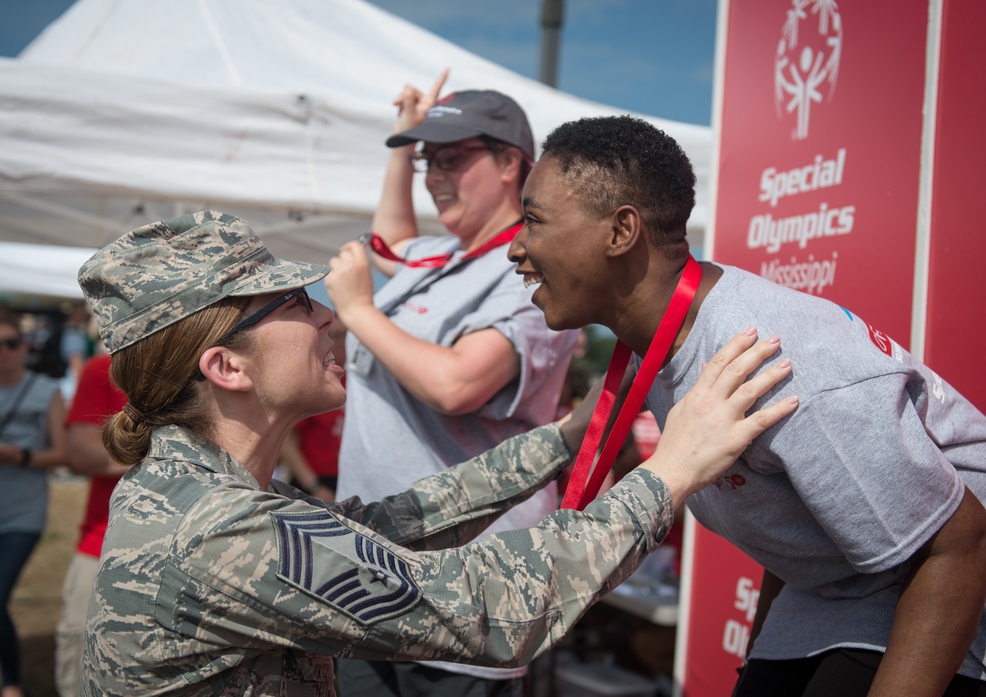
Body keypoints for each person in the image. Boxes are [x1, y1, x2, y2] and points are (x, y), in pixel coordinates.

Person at [75, 210, 797, 695]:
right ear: (225, 367)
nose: (328, 315)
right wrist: (671, 471)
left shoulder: (200, 491)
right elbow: (490, 609)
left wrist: (563, 440)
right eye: (295, 304)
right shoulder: (219, 532)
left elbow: (386, 527)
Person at [505, 114, 986, 697]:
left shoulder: (772, 362)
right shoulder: (662, 346)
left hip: (948, 577)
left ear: (620, 231)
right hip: (845, 585)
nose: (515, 246)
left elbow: (961, 545)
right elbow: (792, 512)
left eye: (533, 219)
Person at [326, 71, 579, 695]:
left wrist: (359, 311)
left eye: (452, 158)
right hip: (367, 573)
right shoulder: (441, 254)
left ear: (509, 164)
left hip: (464, 590)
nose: (435, 175)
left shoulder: (532, 267)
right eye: (426, 162)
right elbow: (390, 238)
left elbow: (459, 384)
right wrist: (400, 143)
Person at [0, 316, 68, 697]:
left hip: (22, 514)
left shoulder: (45, 389)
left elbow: (61, 454)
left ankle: (12, 681)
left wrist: (17, 456)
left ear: (24, 347)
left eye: (10, 343)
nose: (3, 352)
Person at [54, 350, 126, 697]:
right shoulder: (104, 369)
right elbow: (83, 453)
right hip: (101, 542)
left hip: (188, 548)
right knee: (79, 652)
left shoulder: (205, 367)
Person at [280, 317, 347, 499]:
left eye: (348, 335)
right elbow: (286, 440)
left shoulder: (357, 383)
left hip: (349, 481)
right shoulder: (314, 383)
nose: (343, 342)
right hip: (315, 484)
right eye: (336, 335)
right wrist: (314, 486)